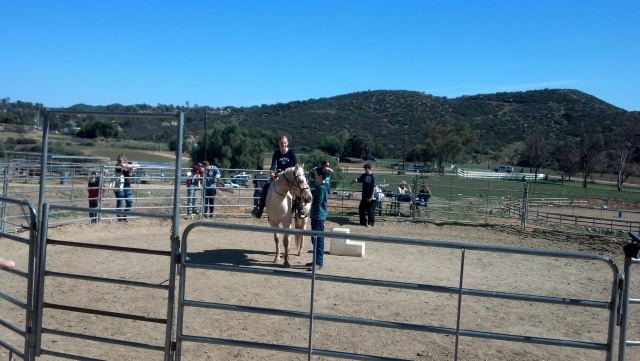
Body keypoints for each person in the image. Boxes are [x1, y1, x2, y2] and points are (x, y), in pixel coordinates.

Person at [252, 135, 304, 218]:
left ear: (287, 143)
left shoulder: (291, 153)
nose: (283, 144)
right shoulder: (276, 153)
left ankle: (300, 208)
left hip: (290, 177)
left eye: (285, 143)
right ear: (279, 144)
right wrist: (272, 172)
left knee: (298, 187)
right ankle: (259, 209)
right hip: (279, 176)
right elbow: (273, 164)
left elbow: (295, 164)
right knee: (266, 185)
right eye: (281, 143)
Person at [306, 167, 329, 271]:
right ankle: (316, 260)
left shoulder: (322, 188)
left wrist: (308, 203)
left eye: (315, 174)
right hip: (317, 216)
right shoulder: (321, 187)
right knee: (314, 238)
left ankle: (319, 263)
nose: (314, 175)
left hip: (318, 216)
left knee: (319, 239)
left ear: (320, 176)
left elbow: (317, 201)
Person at [350, 163, 377, 227]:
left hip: (370, 196)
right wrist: (354, 181)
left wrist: (372, 195)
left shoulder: (373, 176)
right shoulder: (364, 175)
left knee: (370, 210)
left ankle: (371, 223)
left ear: (369, 169)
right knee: (361, 209)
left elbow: (374, 186)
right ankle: (363, 222)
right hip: (364, 195)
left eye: (366, 168)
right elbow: (359, 179)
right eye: (364, 168)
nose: (365, 169)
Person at [114, 154, 137, 222]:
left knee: (129, 202)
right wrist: (125, 165)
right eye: (118, 160)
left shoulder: (128, 164)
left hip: (127, 186)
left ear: (124, 160)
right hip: (119, 186)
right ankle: (120, 219)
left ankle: (125, 215)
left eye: (120, 160)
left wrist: (129, 166)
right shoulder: (117, 166)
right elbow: (121, 166)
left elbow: (138, 165)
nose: (119, 162)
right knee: (120, 202)